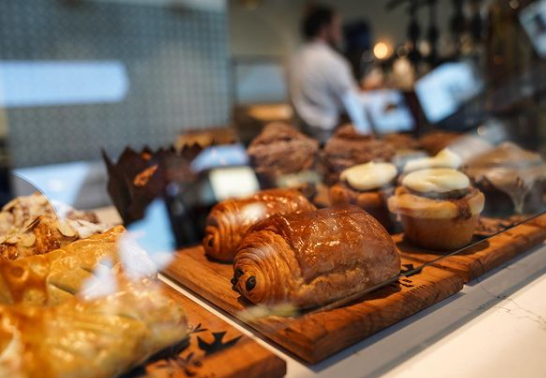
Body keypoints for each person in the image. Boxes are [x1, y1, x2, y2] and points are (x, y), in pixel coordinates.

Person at [289, 4, 371, 143]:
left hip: (304, 137)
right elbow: (352, 103)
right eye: (336, 26)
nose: (340, 31)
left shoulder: (296, 58)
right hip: (329, 137)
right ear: (324, 28)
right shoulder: (332, 61)